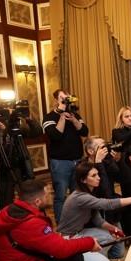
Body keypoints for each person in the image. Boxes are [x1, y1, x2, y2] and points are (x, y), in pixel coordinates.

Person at [57, 161, 131, 261]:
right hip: (68, 240)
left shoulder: (90, 193)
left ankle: (91, 257)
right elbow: (108, 204)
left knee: (115, 247)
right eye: (94, 176)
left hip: (80, 233)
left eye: (98, 174)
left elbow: (97, 220)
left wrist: (113, 229)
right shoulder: (79, 197)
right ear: (83, 180)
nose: (98, 178)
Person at [0, 107, 42, 261]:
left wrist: (27, 118)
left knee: (12, 206)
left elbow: (36, 132)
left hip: (11, 172)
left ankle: (25, 232)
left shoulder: (11, 129)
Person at [42, 89, 89, 222]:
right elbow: (55, 136)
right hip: (60, 163)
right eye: (62, 98)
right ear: (56, 100)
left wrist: (74, 119)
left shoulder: (75, 115)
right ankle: (61, 223)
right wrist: (62, 116)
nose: (65, 101)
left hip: (77, 160)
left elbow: (85, 132)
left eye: (67, 98)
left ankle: (77, 220)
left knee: (77, 194)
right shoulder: (49, 117)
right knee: (60, 196)